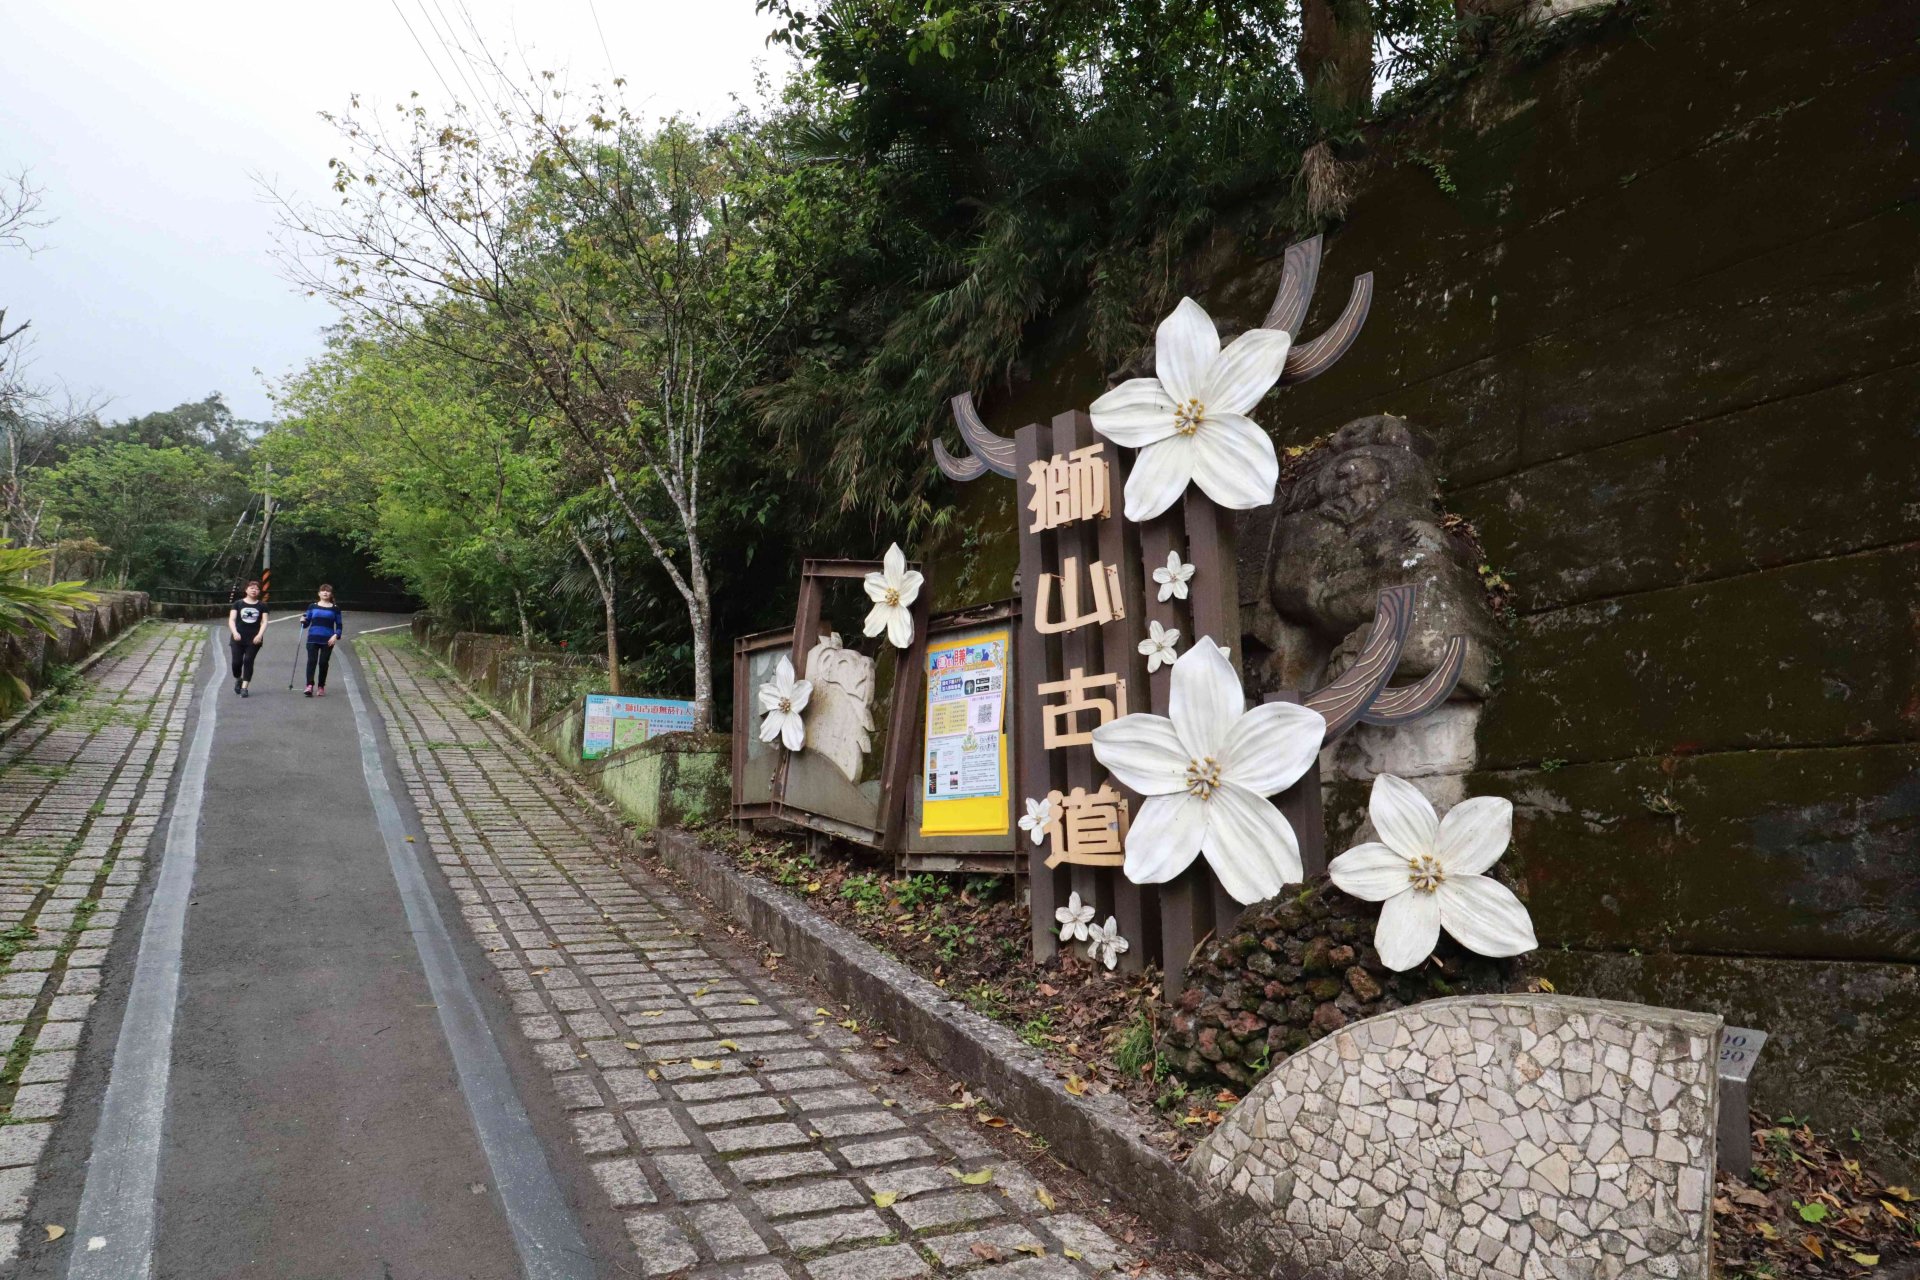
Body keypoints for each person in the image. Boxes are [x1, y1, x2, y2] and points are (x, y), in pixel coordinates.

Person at [299, 585, 345, 697]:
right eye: (323, 591)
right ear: (318, 593)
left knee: (323, 663)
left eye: (328, 591)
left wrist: (336, 635)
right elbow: (306, 623)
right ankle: (309, 685)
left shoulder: (335, 608)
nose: (325, 593)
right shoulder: (312, 606)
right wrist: (303, 620)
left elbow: (339, 625)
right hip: (313, 638)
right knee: (312, 661)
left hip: (328, 639)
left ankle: (321, 686)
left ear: (331, 594)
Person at [227, 580, 267, 697]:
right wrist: (234, 632)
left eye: (257, 589)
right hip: (238, 637)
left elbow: (264, 621)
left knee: (248, 660)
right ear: (246, 590)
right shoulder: (238, 604)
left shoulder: (262, 605)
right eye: (252, 588)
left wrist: (259, 635)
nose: (254, 590)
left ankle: (244, 687)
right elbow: (232, 619)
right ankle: (238, 678)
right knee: (236, 662)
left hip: (254, 638)